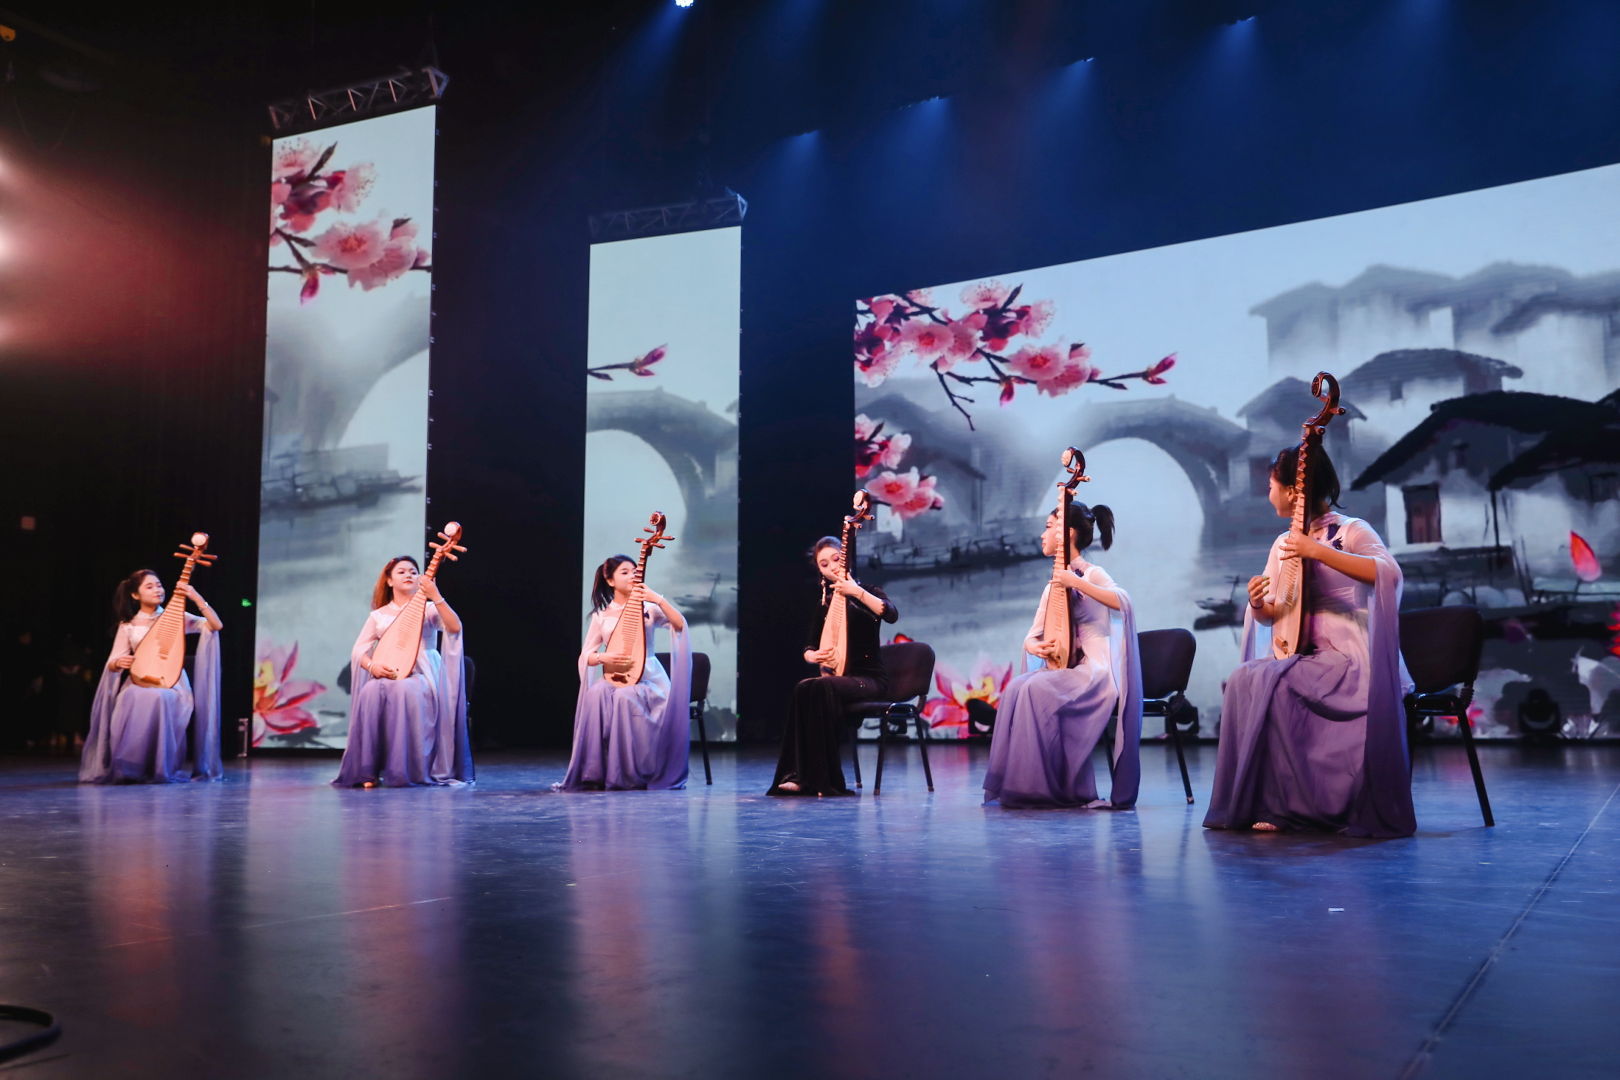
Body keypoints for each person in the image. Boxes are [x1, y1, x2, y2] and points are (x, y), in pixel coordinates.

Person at [1204, 444, 1414, 837]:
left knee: (1276, 684)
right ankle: (1270, 801)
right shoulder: (1284, 544)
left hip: (1352, 656)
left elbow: (1388, 574)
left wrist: (1317, 551)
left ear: (1292, 491)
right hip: (1308, 655)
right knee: (1244, 679)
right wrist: (1257, 603)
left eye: (1271, 486)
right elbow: (1275, 612)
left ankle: (1305, 806)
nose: (1268, 495)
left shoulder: (1351, 530)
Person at [983, 503, 1142, 809]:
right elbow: (1034, 633)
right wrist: (1033, 646)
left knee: (1034, 688)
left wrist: (1078, 582)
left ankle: (1053, 787)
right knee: (1017, 687)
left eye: (1048, 527)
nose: (1043, 535)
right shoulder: (1055, 584)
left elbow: (1123, 601)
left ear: (1067, 533)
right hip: (1073, 669)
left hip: (1098, 672)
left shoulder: (1091, 573)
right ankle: (1029, 785)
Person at [768, 536, 898, 797]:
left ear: (846, 558)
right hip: (839, 680)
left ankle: (824, 780)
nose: (831, 567)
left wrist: (856, 592)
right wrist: (814, 656)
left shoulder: (868, 592)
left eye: (836, 559)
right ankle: (797, 775)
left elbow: (891, 614)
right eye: (824, 564)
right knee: (805, 687)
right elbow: (809, 646)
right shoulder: (825, 605)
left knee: (820, 688)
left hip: (870, 680)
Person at [334, 555, 473, 787]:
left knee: (403, 690)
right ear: (389, 581)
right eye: (401, 571)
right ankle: (367, 771)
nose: (409, 574)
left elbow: (454, 627)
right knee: (370, 691)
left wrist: (436, 596)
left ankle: (404, 771)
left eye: (413, 571)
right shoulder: (379, 616)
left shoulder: (428, 609)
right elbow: (359, 649)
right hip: (391, 672)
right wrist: (373, 666)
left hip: (424, 675)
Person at [559, 555, 691, 790]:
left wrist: (658, 599)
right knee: (596, 693)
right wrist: (603, 657)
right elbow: (586, 655)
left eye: (634, 571)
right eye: (625, 572)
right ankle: (594, 773)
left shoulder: (648, 608)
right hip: (616, 676)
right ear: (610, 580)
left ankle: (627, 775)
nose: (632, 576)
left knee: (623, 697)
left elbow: (680, 625)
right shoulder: (601, 616)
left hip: (648, 680)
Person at [79, 569, 224, 783]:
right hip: (139, 681)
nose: (157, 590)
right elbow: (113, 660)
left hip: (171, 684)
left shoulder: (176, 617)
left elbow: (215, 625)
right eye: (150, 586)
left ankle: (160, 767)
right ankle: (130, 768)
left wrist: (196, 597)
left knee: (160, 697)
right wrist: (119, 662)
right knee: (130, 696)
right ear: (135, 595)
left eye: (159, 585)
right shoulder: (128, 625)